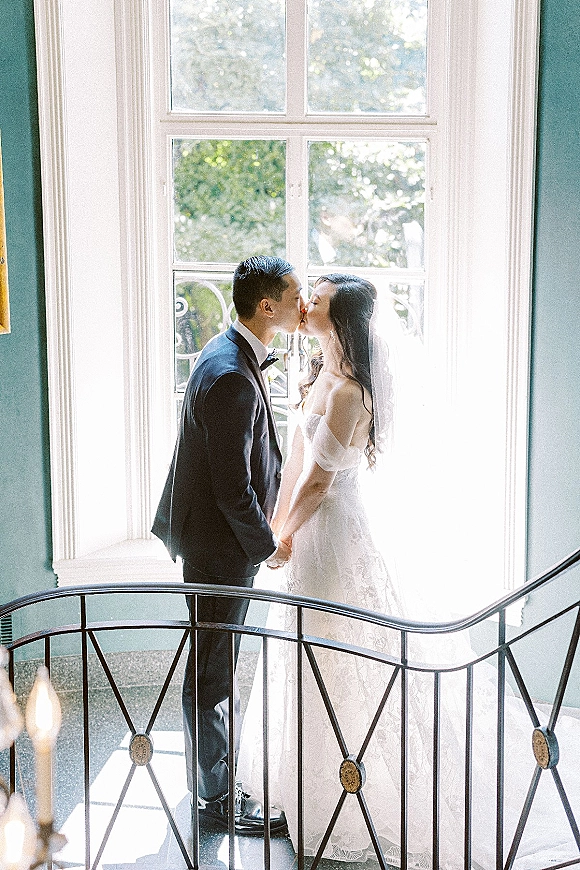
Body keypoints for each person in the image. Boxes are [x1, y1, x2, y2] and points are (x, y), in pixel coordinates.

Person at [237, 273, 580, 867]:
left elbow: (321, 481)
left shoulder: (351, 393)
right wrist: (276, 524)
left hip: (336, 535)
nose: (306, 302)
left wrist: (283, 534)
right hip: (306, 533)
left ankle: (369, 789)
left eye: (316, 299)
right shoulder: (319, 373)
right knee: (312, 654)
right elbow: (295, 462)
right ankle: (312, 788)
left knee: (349, 655)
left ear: (340, 320)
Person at [152, 255, 304, 834]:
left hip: (213, 540)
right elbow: (230, 488)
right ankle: (215, 799)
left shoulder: (226, 351)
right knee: (214, 669)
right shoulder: (233, 376)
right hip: (219, 547)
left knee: (212, 661)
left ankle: (208, 783)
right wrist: (267, 546)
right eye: (294, 296)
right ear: (268, 306)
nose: (302, 304)